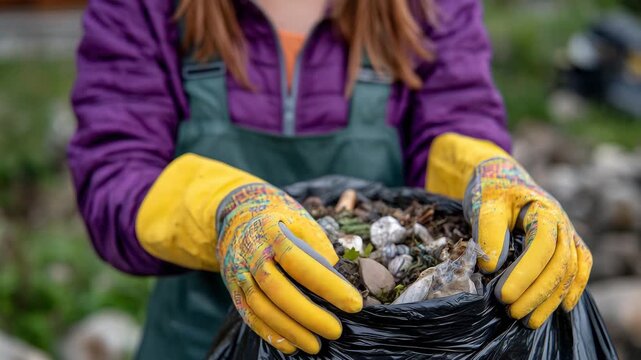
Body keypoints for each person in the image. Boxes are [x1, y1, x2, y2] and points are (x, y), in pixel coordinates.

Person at [67, 0, 593, 358]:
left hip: (373, 345)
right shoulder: (143, 9)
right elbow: (115, 172)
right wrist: (223, 209)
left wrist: (486, 169)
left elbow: (454, 119)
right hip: (198, 338)